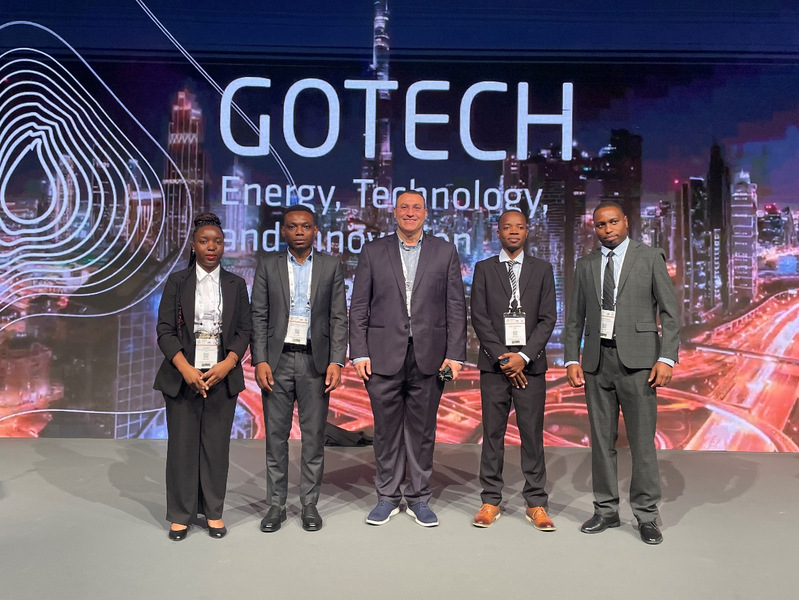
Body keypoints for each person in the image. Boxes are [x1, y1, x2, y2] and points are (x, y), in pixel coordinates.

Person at [564, 200, 679, 545]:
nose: (608, 229)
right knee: (601, 442)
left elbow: (670, 313)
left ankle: (646, 514)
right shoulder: (585, 264)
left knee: (642, 443)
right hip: (596, 362)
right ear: (594, 228)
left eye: (613, 222)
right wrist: (571, 359)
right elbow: (575, 318)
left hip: (640, 362)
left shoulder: (650, 257)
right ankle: (605, 509)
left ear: (626, 222)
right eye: (601, 224)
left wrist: (667, 358)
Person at [349, 190, 467, 527]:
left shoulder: (445, 251)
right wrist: (359, 352)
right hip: (382, 355)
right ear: (395, 212)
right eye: (404, 207)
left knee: (422, 431)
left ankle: (418, 497)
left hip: (430, 356)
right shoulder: (373, 251)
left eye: (416, 207)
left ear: (426, 213)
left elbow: (456, 306)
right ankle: (387, 496)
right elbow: (359, 305)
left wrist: (455, 355)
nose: (410, 212)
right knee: (386, 432)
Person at [154, 212, 252, 541]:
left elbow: (244, 330)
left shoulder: (236, 285)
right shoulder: (177, 282)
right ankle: (181, 515)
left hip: (222, 375)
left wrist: (229, 363)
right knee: (182, 448)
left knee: (216, 449)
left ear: (224, 246)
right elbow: (164, 330)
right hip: (183, 374)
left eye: (217, 242)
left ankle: (213, 512)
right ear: (194, 246)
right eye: (204, 241)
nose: (211, 247)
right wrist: (186, 369)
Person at [250, 205, 347, 533]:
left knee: (314, 437)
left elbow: (338, 317)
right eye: (293, 226)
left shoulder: (331, 266)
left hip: (314, 361)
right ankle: (276, 505)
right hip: (276, 361)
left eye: (306, 226)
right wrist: (260, 359)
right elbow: (259, 315)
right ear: (283, 231)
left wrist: (336, 361)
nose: (300, 231)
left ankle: (309, 504)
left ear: (315, 230)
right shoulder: (268, 264)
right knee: (275, 437)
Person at [470, 210, 557, 530]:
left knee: (532, 435)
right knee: (492, 435)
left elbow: (548, 318)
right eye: (507, 227)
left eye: (519, 227)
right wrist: (505, 359)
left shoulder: (543, 269)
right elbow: (479, 317)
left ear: (527, 231)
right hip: (495, 368)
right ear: (498, 232)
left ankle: (536, 502)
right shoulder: (484, 269)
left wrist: (524, 356)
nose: (514, 232)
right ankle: (490, 499)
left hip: (530, 368)